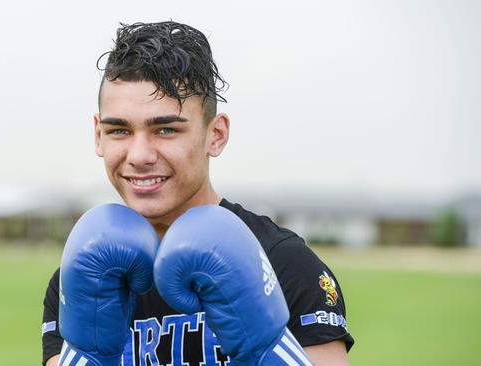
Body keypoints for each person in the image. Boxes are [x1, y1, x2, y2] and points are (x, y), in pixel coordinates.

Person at [42, 21, 354, 366]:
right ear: (98, 137)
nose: (140, 155)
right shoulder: (82, 275)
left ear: (216, 134)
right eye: (119, 130)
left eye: (166, 129)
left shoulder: (284, 264)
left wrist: (268, 353)